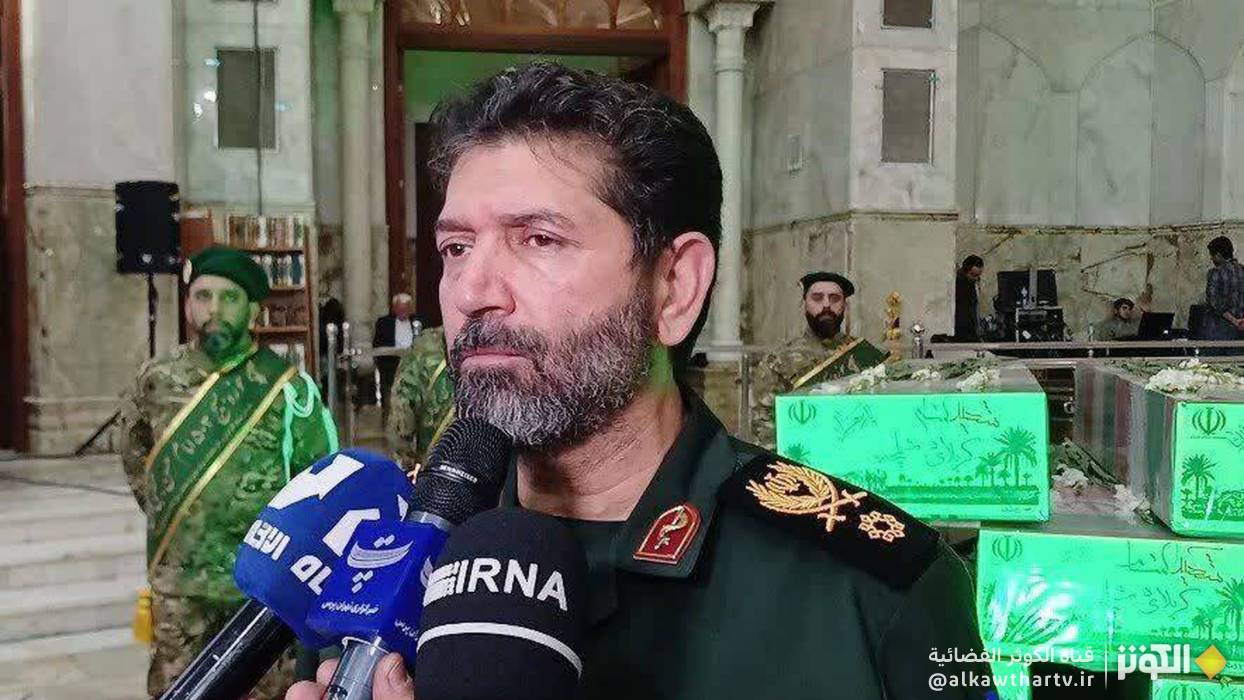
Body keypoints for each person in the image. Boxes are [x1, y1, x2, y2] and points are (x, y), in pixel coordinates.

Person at [289, 62, 987, 700]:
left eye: (539, 239)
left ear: (675, 286)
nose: (471, 291)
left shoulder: (876, 592)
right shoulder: (381, 570)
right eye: (456, 247)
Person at [119, 246, 338, 700]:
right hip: (180, 589)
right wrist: (177, 517)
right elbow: (135, 458)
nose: (214, 310)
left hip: (259, 589)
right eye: (203, 296)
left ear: (253, 309)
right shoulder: (155, 379)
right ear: (187, 305)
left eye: (229, 297)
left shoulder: (288, 387)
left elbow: (320, 481)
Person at [749, 271, 890, 451]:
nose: (826, 305)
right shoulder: (779, 360)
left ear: (844, 306)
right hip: (802, 456)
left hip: (857, 451)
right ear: (804, 304)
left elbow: (881, 412)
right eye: (817, 298)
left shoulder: (864, 354)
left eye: (834, 299)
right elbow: (764, 422)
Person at [384, 325, 454, 472]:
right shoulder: (494, 339)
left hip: (433, 466)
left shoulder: (425, 346)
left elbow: (402, 410)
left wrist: (406, 461)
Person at [373, 293, 421, 412]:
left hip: (412, 363)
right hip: (391, 363)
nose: (403, 311)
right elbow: (377, 345)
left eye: (406, 308)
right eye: (400, 308)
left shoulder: (418, 322)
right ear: (394, 308)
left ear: (410, 309)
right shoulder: (384, 323)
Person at [1204, 236, 1244, 350]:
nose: (1211, 259)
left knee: (1214, 360)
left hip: (1219, 329)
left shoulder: (1215, 272)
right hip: (1241, 329)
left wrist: (1234, 321)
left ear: (1218, 255)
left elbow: (1214, 303)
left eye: (1212, 256)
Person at [954, 255, 984, 341]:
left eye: (978, 275)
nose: (976, 278)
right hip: (962, 330)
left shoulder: (971, 283)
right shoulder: (960, 285)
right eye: (973, 275)